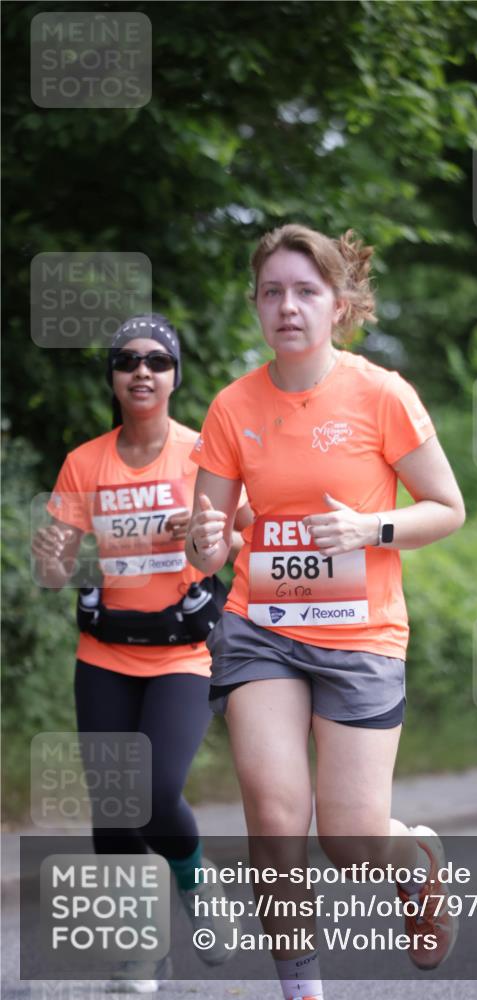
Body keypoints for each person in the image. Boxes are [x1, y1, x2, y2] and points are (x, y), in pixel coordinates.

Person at [186, 225, 466, 1000]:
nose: (287, 306)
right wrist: (205, 538)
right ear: (255, 304)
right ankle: (302, 993)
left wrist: (368, 528)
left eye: (305, 291)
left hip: (361, 636)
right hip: (261, 628)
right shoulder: (232, 407)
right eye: (271, 291)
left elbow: (446, 508)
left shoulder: (381, 396)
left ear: (338, 306)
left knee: (349, 841)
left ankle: (415, 865)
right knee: (275, 824)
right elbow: (207, 551)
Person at [32, 314, 248, 992]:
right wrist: (50, 562)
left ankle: (195, 884)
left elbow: (242, 538)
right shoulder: (84, 462)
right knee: (113, 803)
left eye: (157, 361)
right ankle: (139, 952)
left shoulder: (201, 454)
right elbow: (56, 572)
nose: (142, 372)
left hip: (181, 651)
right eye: (127, 361)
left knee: (154, 792)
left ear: (175, 374)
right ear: (114, 378)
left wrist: (210, 535)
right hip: (104, 650)